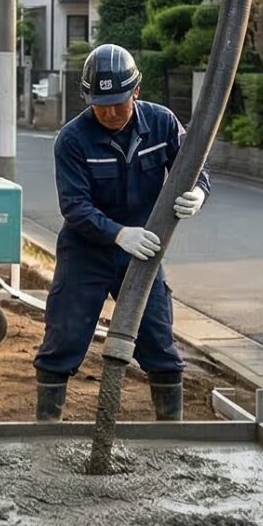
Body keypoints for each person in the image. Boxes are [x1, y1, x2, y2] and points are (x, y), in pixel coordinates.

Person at [35, 43, 209, 421]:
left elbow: (194, 166)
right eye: (101, 104)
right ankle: (46, 429)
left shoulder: (162, 124)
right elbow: (75, 207)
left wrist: (198, 193)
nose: (111, 112)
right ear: (87, 98)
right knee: (63, 339)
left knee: (159, 343)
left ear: (137, 91)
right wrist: (118, 233)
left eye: (119, 102)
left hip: (143, 253)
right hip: (86, 252)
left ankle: (171, 433)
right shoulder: (72, 140)